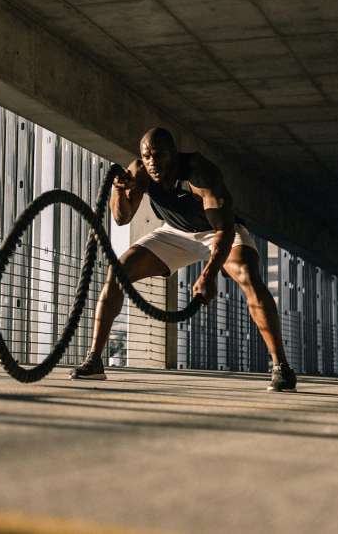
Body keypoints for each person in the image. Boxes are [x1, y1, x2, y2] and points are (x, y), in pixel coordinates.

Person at [70, 127, 297, 392]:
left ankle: (282, 367)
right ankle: (94, 360)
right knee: (118, 272)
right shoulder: (141, 171)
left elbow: (223, 229)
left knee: (248, 275)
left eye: (159, 155)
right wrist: (119, 189)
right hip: (175, 232)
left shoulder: (200, 172)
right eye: (147, 156)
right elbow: (122, 218)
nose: (153, 162)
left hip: (218, 232)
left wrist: (208, 275)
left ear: (173, 154)